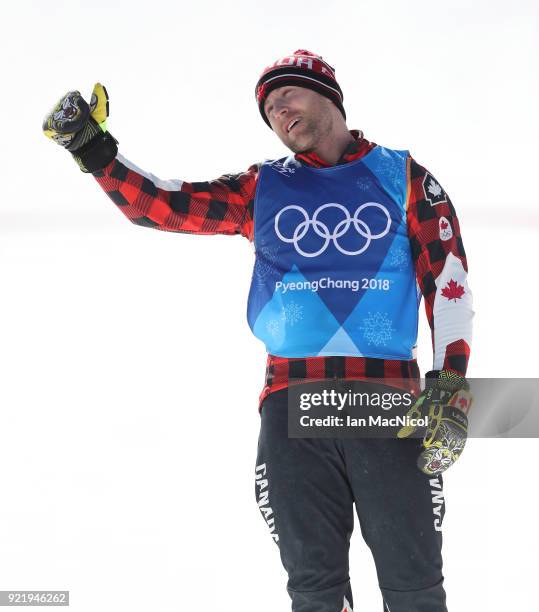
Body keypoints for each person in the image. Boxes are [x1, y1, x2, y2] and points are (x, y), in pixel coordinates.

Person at [43, 50, 474, 612]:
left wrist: (450, 383)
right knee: (315, 594)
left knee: (414, 589)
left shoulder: (406, 176)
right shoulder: (261, 188)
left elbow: (449, 282)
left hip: (388, 403)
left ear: (329, 97)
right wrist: (94, 150)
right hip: (293, 410)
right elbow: (164, 206)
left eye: (287, 95)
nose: (278, 111)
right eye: (268, 109)